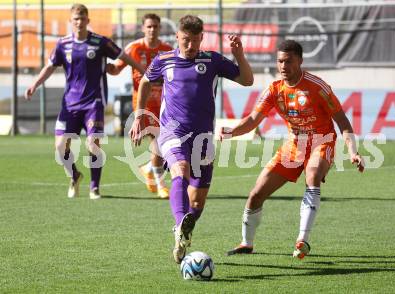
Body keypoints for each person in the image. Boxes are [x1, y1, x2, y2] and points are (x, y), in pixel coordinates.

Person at [222, 39, 364, 259]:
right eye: (280, 61)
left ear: (300, 61)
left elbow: (343, 122)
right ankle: (246, 243)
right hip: (294, 145)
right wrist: (231, 132)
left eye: (288, 61)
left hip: (322, 141)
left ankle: (302, 240)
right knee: (256, 195)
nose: (283, 67)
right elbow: (252, 120)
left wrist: (353, 151)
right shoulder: (274, 90)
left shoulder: (317, 87)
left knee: (313, 174)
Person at [129, 15, 253, 263]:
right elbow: (144, 82)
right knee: (180, 168)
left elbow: (246, 80)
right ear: (177, 37)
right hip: (172, 131)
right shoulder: (164, 60)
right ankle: (178, 226)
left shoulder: (212, 60)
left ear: (202, 38)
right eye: (186, 40)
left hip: (203, 138)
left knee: (197, 202)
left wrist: (238, 54)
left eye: (196, 40)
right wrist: (139, 115)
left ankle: (183, 236)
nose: (191, 45)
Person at [25, 3, 144, 200]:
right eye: (75, 19)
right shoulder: (62, 44)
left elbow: (125, 56)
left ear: (88, 21)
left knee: (93, 144)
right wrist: (34, 84)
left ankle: (94, 187)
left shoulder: (100, 42)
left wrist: (144, 71)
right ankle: (75, 175)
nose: (79, 22)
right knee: (60, 147)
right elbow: (49, 67)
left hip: (94, 103)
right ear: (70, 22)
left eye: (82, 19)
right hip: (69, 104)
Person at [107, 13, 173, 199]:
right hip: (142, 104)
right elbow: (116, 69)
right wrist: (102, 65)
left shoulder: (167, 50)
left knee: (165, 143)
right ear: (143, 28)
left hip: (164, 104)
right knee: (157, 140)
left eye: (155, 27)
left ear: (160, 29)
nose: (152, 30)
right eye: (149, 26)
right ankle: (160, 185)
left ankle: (149, 168)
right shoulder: (134, 48)